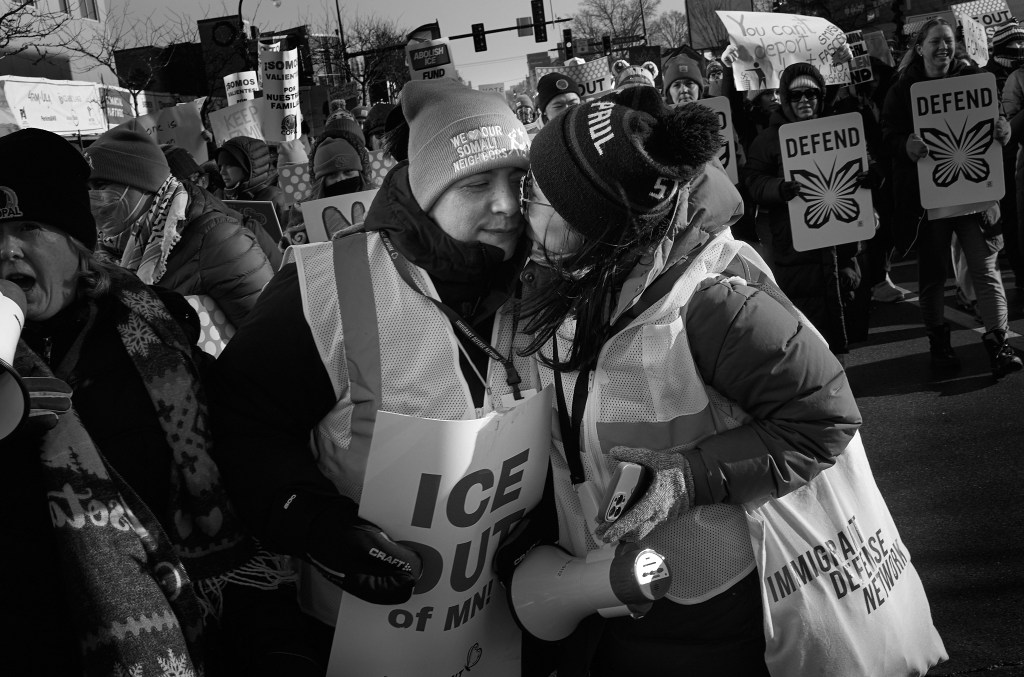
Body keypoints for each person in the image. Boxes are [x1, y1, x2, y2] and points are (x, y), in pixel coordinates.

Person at [517, 85, 862, 676]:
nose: (521, 208)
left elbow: (825, 418)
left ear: (592, 225)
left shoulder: (711, 304)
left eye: (540, 196)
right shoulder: (574, 280)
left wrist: (690, 476)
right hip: (605, 592)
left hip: (706, 605)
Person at [208, 79, 534, 669]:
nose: (508, 204)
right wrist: (319, 528)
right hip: (368, 633)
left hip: (506, 620)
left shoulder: (538, 280)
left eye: (518, 180)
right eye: (479, 183)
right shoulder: (331, 284)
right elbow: (242, 418)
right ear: (428, 189)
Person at [0, 128, 310, 677]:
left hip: (188, 633)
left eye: (30, 227)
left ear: (76, 243)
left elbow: (246, 455)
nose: (6, 248)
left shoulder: (155, 334)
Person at [882, 18, 1022, 377]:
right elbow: (887, 137)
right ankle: (940, 346)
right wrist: (904, 144)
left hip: (974, 196)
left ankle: (999, 343)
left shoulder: (974, 79)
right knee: (932, 276)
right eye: (935, 42)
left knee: (985, 269)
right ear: (920, 48)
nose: (943, 47)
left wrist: (1002, 130)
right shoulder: (902, 89)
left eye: (948, 41)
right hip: (928, 201)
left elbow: (996, 122)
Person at [86, 128, 273, 329]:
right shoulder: (102, 249)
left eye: (101, 184)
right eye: (88, 188)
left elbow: (268, 330)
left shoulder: (220, 239)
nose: (94, 196)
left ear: (143, 184)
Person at [744, 62, 867, 361]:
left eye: (811, 95)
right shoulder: (768, 141)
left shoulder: (840, 130)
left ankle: (840, 379)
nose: (804, 101)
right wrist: (778, 188)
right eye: (796, 95)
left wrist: (869, 177)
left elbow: (863, 167)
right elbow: (754, 182)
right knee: (808, 323)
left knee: (843, 309)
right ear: (785, 99)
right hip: (796, 244)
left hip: (840, 240)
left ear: (820, 97)